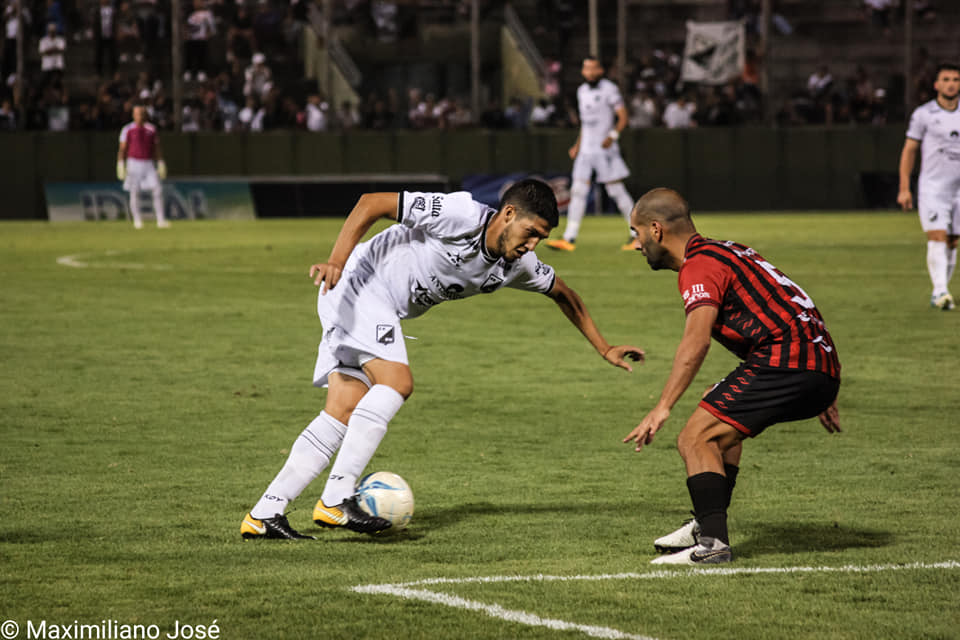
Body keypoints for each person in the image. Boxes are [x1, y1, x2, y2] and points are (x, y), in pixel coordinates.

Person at [241, 179, 644, 539]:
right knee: (397, 383)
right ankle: (337, 498)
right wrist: (337, 259)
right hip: (359, 283)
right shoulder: (461, 214)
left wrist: (603, 347)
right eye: (530, 232)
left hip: (372, 304)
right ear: (508, 214)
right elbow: (372, 202)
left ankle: (265, 513)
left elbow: (563, 293)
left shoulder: (516, 264)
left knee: (343, 408)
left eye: (541, 238)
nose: (532, 244)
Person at [623, 187, 841, 565]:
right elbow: (794, 300)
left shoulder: (699, 266)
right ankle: (704, 523)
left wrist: (662, 407)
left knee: (695, 437)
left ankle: (712, 545)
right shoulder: (728, 250)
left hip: (788, 363)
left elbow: (696, 341)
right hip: (815, 363)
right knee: (716, 405)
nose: (637, 244)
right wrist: (823, 379)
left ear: (656, 230)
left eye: (636, 233)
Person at [545, 56, 638, 253]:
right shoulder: (582, 91)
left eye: (593, 68)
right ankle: (569, 237)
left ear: (600, 70)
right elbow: (585, 125)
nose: (590, 72)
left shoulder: (609, 89)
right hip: (586, 151)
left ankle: (637, 234)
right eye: (586, 68)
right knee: (578, 191)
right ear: (583, 71)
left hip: (604, 150)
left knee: (616, 191)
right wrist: (577, 145)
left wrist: (612, 136)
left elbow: (623, 117)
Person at [897, 62, 960, 311]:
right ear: (936, 85)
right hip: (934, 187)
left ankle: (942, 288)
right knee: (937, 236)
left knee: (953, 241)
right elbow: (910, 150)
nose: (951, 83)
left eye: (955, 79)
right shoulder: (923, 114)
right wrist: (904, 187)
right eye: (946, 79)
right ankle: (940, 292)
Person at [117, 104, 168, 228]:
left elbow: (156, 148)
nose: (140, 116)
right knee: (134, 192)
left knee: (157, 189)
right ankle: (137, 220)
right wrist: (120, 163)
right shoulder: (127, 129)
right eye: (138, 113)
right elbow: (123, 149)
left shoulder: (151, 129)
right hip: (133, 163)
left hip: (148, 163)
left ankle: (160, 220)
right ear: (133, 115)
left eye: (142, 113)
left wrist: (160, 162)